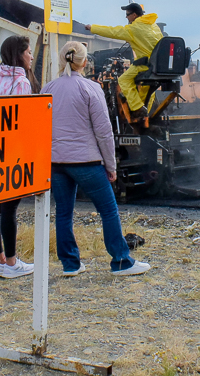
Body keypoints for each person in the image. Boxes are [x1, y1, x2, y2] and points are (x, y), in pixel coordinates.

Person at [41, 41, 150, 276]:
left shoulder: (47, 88)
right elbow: (103, 131)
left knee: (63, 213)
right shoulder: (91, 88)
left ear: (62, 60)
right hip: (86, 162)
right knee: (108, 210)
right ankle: (121, 261)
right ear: (84, 62)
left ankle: (70, 264)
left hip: (56, 163)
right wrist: (111, 165)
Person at [0, 36, 39, 279]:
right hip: (12, 151)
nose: (31, 56)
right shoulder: (21, 83)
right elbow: (23, 122)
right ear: (19, 54)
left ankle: (0, 260)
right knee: (9, 208)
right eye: (28, 52)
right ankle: (13, 263)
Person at [85, 1, 163, 123]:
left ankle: (137, 107)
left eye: (127, 14)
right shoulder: (154, 26)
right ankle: (143, 112)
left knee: (124, 80)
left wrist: (93, 28)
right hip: (157, 65)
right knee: (149, 88)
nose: (126, 17)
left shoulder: (133, 29)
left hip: (144, 64)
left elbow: (112, 31)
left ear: (135, 15)